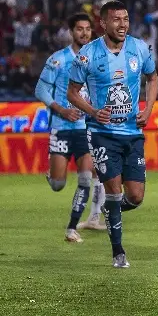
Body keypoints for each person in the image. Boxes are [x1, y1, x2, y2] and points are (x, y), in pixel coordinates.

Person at [67, 1, 158, 268]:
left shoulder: (139, 48)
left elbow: (152, 78)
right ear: (103, 24)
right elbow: (72, 92)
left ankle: (109, 210)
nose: (122, 24)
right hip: (102, 134)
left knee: (136, 196)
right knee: (115, 192)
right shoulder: (88, 54)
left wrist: (148, 108)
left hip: (133, 132)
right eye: (116, 20)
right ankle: (118, 252)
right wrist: (94, 112)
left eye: (126, 19)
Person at [34, 13, 106, 243]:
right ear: (71, 32)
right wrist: (61, 109)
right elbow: (41, 90)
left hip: (85, 128)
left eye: (87, 29)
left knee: (86, 178)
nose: (84, 33)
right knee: (58, 184)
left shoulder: (96, 60)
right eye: (79, 29)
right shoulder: (59, 60)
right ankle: (53, 174)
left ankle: (71, 228)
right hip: (61, 126)